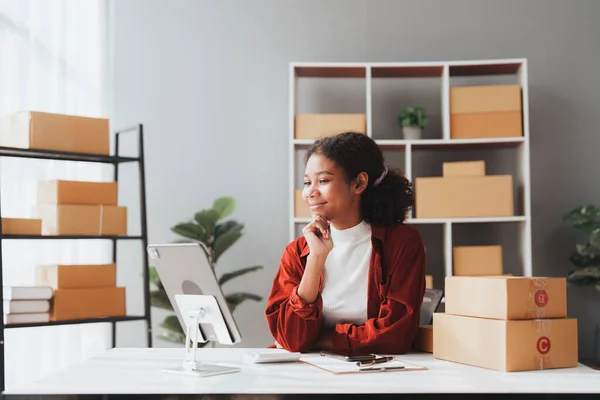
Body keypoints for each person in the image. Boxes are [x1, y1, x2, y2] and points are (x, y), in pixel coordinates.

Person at [265, 132, 427, 356]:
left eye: (323, 181)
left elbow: (394, 336)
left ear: (358, 183)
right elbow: (290, 338)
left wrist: (321, 339)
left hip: (378, 376)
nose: (310, 192)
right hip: (307, 376)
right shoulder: (298, 251)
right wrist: (316, 260)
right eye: (306, 182)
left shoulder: (402, 243)